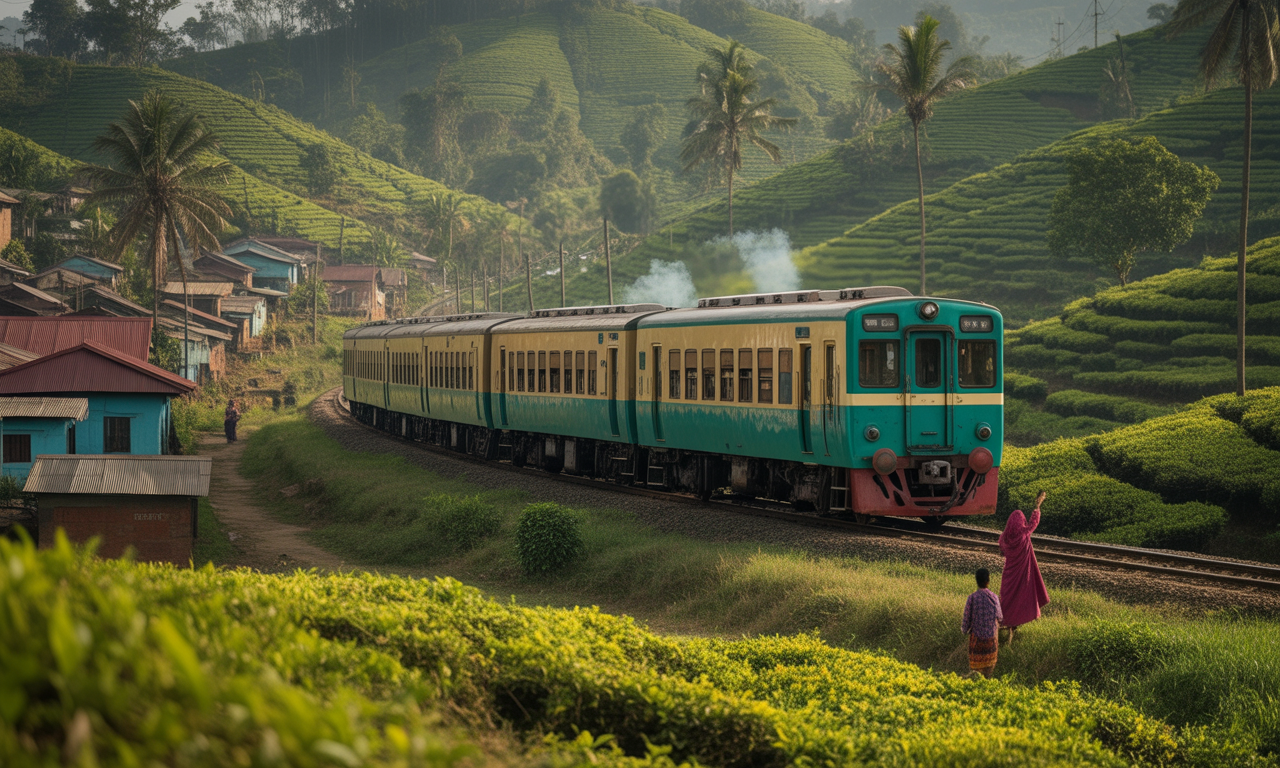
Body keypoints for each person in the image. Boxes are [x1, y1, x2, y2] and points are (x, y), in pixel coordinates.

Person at [998, 490, 1050, 642]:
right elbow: (1033, 523)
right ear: (1021, 522)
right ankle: (1015, 625)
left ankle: (1005, 623)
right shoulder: (1023, 535)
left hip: (1008, 575)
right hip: (1022, 575)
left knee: (1007, 599)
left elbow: (1002, 551)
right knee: (1021, 597)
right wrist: (1038, 507)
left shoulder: (1004, 538)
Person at [961, 567, 1002, 678]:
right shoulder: (994, 597)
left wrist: (964, 631)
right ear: (988, 581)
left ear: (977, 581)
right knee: (988, 674)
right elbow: (1000, 617)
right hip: (991, 642)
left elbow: (966, 621)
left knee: (976, 674)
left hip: (977, 642)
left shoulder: (972, 598)